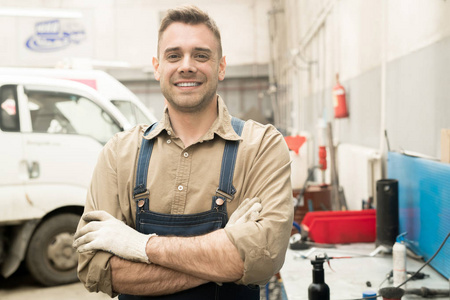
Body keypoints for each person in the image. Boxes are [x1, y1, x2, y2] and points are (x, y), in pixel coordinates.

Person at [73, 5, 293, 299]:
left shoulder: (261, 146)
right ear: (157, 67)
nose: (186, 65)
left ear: (221, 67)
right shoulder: (120, 153)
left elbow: (263, 259)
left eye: (201, 55)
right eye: (173, 55)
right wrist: (225, 251)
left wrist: (137, 246)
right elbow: (94, 267)